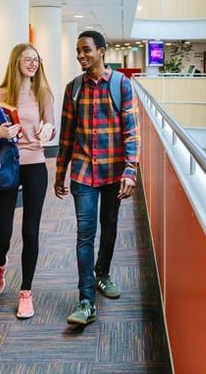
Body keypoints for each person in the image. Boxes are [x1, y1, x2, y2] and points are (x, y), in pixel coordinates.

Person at [54, 30, 140, 325]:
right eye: (78, 51)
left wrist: (130, 170)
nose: (81, 56)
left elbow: (131, 130)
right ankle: (86, 300)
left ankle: (102, 273)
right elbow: (66, 134)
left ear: (102, 51)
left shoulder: (121, 85)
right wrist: (60, 172)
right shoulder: (73, 88)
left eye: (86, 50)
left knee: (110, 226)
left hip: (114, 171)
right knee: (84, 234)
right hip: (83, 172)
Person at [0, 43, 55, 319]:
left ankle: (26, 292)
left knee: (30, 231)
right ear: (16, 61)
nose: (32, 64)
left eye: (36, 60)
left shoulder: (44, 94)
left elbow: (51, 128)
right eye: (27, 59)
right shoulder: (0, 94)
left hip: (36, 165)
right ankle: (0, 265)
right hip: (7, 166)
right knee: (2, 233)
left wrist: (47, 131)